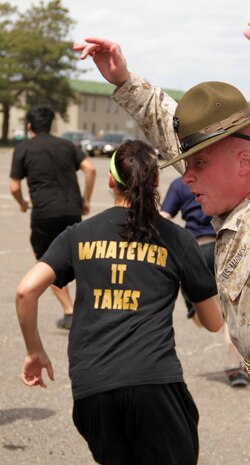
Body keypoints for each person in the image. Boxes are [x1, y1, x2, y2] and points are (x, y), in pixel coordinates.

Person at [73, 3, 250, 464]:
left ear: (246, 162)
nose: (185, 178)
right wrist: (126, 84)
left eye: (197, 166)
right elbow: (180, 134)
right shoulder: (239, 205)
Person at [15, 139, 223, 465]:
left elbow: (26, 291)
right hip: (154, 384)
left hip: (92, 387)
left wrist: (34, 351)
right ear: (155, 182)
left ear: (111, 180)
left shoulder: (78, 235)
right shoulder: (176, 238)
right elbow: (213, 323)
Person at [10, 105, 96, 330]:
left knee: (49, 262)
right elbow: (90, 169)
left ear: (29, 126)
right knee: (78, 261)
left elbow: (14, 186)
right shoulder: (67, 145)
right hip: (71, 211)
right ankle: (93, 307)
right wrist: (85, 199)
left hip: (45, 214)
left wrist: (22, 204)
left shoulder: (24, 148)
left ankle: (70, 311)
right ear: (50, 125)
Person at [160, 177, 249, 387]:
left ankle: (234, 362)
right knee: (229, 314)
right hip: (224, 250)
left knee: (201, 317)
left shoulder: (181, 184)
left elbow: (163, 217)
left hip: (194, 252)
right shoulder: (220, 176)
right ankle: (235, 368)